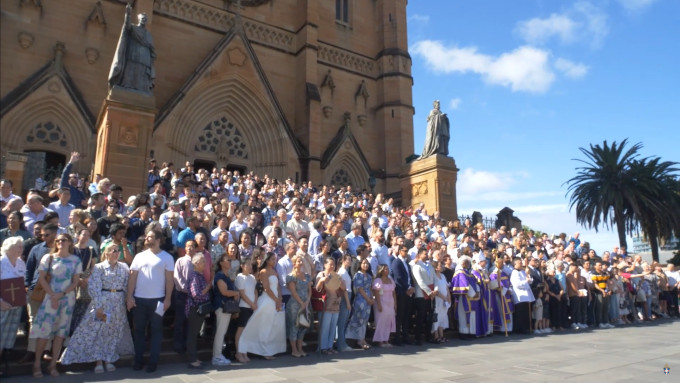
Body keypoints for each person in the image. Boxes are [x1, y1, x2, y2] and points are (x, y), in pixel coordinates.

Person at [59, 243, 134, 373]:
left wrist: (129, 299)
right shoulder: (99, 267)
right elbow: (94, 287)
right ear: (106, 253)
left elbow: (128, 285)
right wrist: (98, 306)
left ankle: (108, 358)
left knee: (112, 333)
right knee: (98, 331)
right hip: (103, 303)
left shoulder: (124, 267)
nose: (116, 253)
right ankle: (98, 361)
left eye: (118, 251)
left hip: (118, 304)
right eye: (113, 250)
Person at [30, 233, 82, 378]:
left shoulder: (75, 260)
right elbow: (41, 278)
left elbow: (75, 281)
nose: (60, 242)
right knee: (44, 333)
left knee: (60, 334)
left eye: (63, 240)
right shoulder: (49, 257)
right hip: (50, 299)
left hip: (67, 300)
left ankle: (53, 365)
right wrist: (53, 295)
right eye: (57, 240)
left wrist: (62, 294)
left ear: (70, 243)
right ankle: (37, 364)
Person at [126, 229, 174, 373]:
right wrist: (129, 297)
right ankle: (138, 360)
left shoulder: (167, 257)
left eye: (150, 237)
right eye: (146, 236)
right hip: (139, 300)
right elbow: (132, 277)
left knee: (156, 331)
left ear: (158, 240)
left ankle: (153, 362)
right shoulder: (139, 256)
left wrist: (168, 299)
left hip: (158, 301)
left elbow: (170, 280)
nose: (147, 238)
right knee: (139, 331)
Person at [238, 252, 286, 359]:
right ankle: (263, 351)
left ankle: (268, 349)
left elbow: (277, 286)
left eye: (275, 259)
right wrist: (276, 300)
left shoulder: (274, 271)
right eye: (272, 259)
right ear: (267, 260)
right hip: (267, 300)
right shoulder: (263, 272)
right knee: (265, 326)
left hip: (275, 300)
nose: (274, 261)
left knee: (271, 326)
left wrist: (280, 298)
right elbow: (266, 288)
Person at [109, 3, 156, 92]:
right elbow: (127, 27)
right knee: (130, 72)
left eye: (145, 19)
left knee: (141, 74)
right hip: (132, 55)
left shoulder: (148, 34)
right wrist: (128, 15)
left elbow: (151, 48)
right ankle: (127, 86)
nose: (144, 20)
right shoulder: (134, 28)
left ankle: (142, 88)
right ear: (139, 19)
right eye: (142, 19)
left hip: (144, 59)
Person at [0, 237, 26, 372]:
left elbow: (23, 282)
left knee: (6, 336)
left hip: (15, 306)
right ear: (8, 248)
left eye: (21, 246)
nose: (21, 249)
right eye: (18, 246)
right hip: (2, 305)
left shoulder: (21, 263)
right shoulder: (0, 262)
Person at [316, 256, 349, 354]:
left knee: (333, 326)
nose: (332, 266)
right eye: (330, 264)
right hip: (326, 303)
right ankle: (323, 347)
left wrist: (340, 281)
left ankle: (330, 346)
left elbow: (343, 288)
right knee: (325, 326)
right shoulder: (321, 274)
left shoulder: (336, 275)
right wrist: (322, 280)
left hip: (336, 303)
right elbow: (317, 289)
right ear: (325, 265)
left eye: (333, 264)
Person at [212, 252, 240, 366]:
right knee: (220, 332)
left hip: (226, 307)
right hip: (222, 306)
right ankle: (216, 356)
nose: (229, 262)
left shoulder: (226, 275)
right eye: (227, 260)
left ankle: (218, 355)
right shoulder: (220, 276)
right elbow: (224, 292)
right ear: (221, 263)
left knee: (222, 332)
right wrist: (236, 293)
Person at [69, 228, 97, 335]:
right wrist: (77, 279)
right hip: (72, 279)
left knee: (82, 307)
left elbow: (93, 266)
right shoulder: (72, 249)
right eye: (83, 234)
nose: (85, 237)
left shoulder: (90, 250)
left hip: (86, 279)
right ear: (78, 236)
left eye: (87, 235)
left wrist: (87, 278)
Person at [185, 254, 211, 369]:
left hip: (199, 310)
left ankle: (195, 358)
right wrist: (208, 287)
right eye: (202, 261)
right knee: (192, 335)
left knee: (194, 335)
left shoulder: (200, 275)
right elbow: (196, 294)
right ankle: (192, 360)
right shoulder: (194, 276)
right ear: (196, 263)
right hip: (194, 309)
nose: (205, 264)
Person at [285, 254, 312, 358]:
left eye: (302, 261)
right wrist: (301, 303)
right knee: (294, 326)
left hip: (306, 303)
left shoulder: (307, 276)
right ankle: (294, 350)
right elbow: (293, 292)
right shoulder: (291, 277)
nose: (301, 263)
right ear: (294, 263)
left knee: (303, 326)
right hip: (295, 305)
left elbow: (310, 290)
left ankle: (300, 348)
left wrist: (307, 301)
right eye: (299, 261)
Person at [346, 258, 374, 349]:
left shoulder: (369, 276)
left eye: (367, 263)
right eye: (364, 263)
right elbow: (360, 289)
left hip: (368, 300)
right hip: (361, 299)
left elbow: (370, 288)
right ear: (360, 264)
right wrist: (367, 298)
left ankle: (362, 338)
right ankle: (355, 338)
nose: (366, 265)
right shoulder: (358, 275)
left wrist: (371, 297)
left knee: (365, 320)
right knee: (359, 318)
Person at [450, 255, 480, 339]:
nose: (467, 264)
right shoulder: (460, 273)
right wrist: (473, 293)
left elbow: (475, 282)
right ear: (462, 262)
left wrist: (477, 291)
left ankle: (471, 332)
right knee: (464, 315)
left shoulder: (468, 273)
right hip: (464, 297)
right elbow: (465, 284)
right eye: (466, 262)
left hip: (472, 298)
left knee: (472, 315)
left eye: (468, 262)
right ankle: (464, 333)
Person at [390, 245, 414, 346]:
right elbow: (398, 278)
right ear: (400, 251)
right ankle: (397, 337)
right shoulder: (396, 262)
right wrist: (407, 288)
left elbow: (409, 277)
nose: (407, 252)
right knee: (399, 315)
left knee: (406, 315)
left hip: (408, 292)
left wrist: (411, 286)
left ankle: (405, 336)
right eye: (405, 250)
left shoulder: (406, 263)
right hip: (401, 292)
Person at [234, 260, 257, 363]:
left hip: (252, 307)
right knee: (241, 330)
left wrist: (255, 302)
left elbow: (255, 291)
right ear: (242, 266)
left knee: (247, 331)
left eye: (250, 264)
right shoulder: (239, 277)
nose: (249, 266)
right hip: (243, 307)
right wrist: (251, 304)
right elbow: (242, 294)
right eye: (247, 264)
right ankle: (239, 352)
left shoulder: (252, 277)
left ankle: (245, 352)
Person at [372, 264, 396, 347]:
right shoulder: (378, 280)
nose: (387, 270)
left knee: (388, 322)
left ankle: (386, 340)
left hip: (390, 303)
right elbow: (376, 292)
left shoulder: (390, 280)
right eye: (385, 269)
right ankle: (380, 340)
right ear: (381, 271)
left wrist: (395, 304)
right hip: (382, 302)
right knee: (380, 322)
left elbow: (394, 293)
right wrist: (379, 304)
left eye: (387, 269)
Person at [510, 258, 535, 334]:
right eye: (519, 263)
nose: (521, 264)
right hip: (520, 295)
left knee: (526, 312)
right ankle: (520, 329)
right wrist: (526, 281)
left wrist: (528, 275)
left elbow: (529, 281)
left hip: (526, 295)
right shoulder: (514, 273)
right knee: (521, 313)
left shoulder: (523, 271)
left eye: (521, 262)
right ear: (515, 264)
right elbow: (517, 284)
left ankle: (526, 327)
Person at [490, 257, 513, 333]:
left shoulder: (504, 273)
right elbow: (494, 285)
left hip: (506, 294)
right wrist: (502, 290)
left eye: (502, 262)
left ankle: (509, 328)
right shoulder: (493, 274)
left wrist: (509, 290)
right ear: (496, 264)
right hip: (499, 296)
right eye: (500, 263)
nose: (502, 264)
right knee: (501, 311)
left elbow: (509, 283)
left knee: (508, 311)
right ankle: (503, 328)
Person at [336, 254, 353, 351]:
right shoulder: (342, 272)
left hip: (348, 294)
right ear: (343, 261)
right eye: (348, 260)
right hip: (345, 296)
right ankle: (341, 344)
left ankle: (342, 342)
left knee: (344, 321)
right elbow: (343, 289)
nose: (350, 261)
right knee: (342, 321)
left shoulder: (345, 272)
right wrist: (347, 302)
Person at [431, 260, 451, 342]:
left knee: (443, 316)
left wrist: (448, 296)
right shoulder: (434, 276)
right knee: (437, 317)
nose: (442, 267)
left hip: (444, 300)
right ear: (435, 268)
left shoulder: (443, 275)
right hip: (438, 299)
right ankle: (436, 336)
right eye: (440, 265)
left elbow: (446, 287)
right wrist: (444, 297)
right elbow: (436, 290)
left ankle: (442, 335)